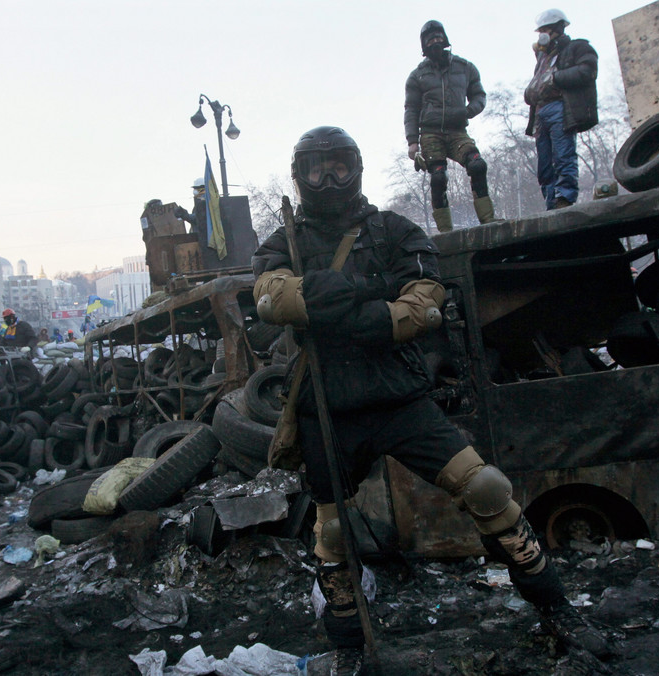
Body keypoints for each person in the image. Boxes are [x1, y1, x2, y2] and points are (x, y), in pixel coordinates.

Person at [252, 126, 610, 675]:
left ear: (358, 168)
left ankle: (558, 610)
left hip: (399, 398)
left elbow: (425, 299)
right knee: (330, 532)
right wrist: (359, 297)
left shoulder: (395, 230)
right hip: (328, 405)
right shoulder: (285, 240)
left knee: (487, 488)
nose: (329, 180)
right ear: (299, 176)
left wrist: (356, 312)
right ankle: (350, 647)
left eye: (340, 168)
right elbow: (271, 298)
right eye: (317, 170)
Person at [404, 20, 495, 233]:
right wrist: (412, 142)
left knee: (477, 165)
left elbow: (479, 95)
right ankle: (445, 231)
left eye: (438, 37)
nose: (435, 41)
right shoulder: (417, 76)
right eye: (430, 39)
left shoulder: (465, 68)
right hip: (430, 133)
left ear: (445, 39)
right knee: (438, 177)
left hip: (457, 131)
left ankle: (488, 218)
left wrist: (468, 111)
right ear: (424, 45)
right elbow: (411, 109)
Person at [524, 9, 599, 210]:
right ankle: (551, 201)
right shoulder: (542, 57)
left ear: (559, 28)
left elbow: (588, 71)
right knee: (545, 164)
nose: (543, 34)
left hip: (560, 107)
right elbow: (538, 81)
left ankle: (564, 197)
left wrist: (556, 78)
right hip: (541, 112)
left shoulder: (578, 47)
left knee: (563, 154)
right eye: (541, 30)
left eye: (547, 29)